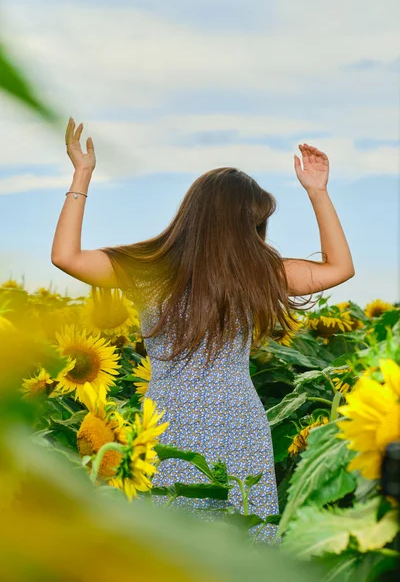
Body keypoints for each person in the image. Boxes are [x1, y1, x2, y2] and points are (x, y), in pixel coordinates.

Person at [52, 117, 355, 544]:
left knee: (174, 551)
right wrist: (318, 194)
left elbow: (66, 257)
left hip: (168, 428)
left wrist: (82, 176)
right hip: (236, 427)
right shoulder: (257, 273)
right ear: (236, 224)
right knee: (242, 548)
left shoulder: (152, 270)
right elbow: (339, 268)